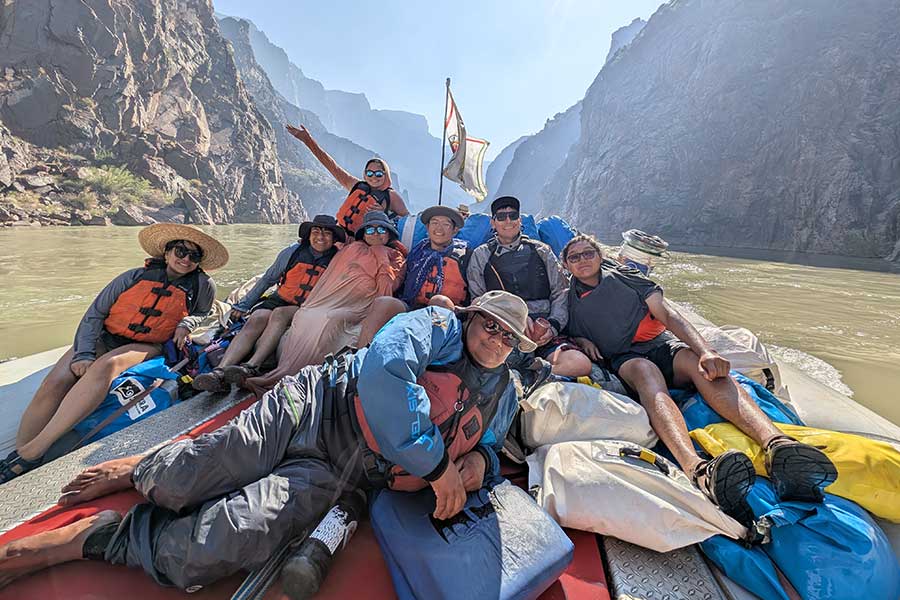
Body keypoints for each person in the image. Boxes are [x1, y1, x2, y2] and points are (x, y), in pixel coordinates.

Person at [0, 291, 533, 593]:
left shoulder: (503, 393)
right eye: (488, 325)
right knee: (184, 478)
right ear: (471, 319)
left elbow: (486, 450)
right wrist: (439, 466)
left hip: (344, 471)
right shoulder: (437, 324)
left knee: (220, 545)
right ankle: (143, 466)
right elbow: (386, 371)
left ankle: (99, 537)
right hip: (313, 403)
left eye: (509, 336)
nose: (495, 339)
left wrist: (476, 470)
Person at [561, 234, 837, 524]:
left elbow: (667, 313)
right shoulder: (569, 299)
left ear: (600, 255)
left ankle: (777, 444)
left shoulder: (626, 275)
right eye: (574, 257)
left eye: (587, 253)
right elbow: (568, 330)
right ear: (566, 265)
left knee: (698, 364)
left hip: (659, 344)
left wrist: (705, 350)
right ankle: (697, 470)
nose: (582, 260)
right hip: (627, 359)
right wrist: (580, 338)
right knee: (646, 374)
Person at [0, 224, 226, 484]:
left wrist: (188, 324)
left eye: (193, 256)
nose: (185, 258)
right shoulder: (132, 277)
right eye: (180, 250)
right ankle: (20, 453)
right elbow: (95, 314)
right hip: (106, 336)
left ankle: (32, 453)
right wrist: (83, 353)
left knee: (108, 366)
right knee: (57, 381)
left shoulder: (203, 285)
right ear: (166, 252)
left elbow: (203, 312)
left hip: (149, 344)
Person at [242, 211, 407, 393]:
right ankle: (282, 371)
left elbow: (387, 287)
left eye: (381, 229)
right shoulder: (350, 249)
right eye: (370, 229)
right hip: (330, 301)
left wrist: (380, 253)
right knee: (305, 314)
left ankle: (293, 377)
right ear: (363, 233)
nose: (375, 233)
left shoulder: (395, 256)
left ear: (389, 232)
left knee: (331, 318)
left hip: (361, 307)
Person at [191, 215, 345, 392]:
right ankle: (219, 372)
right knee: (256, 318)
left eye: (327, 233)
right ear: (309, 235)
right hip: (280, 297)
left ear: (334, 238)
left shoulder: (337, 259)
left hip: (307, 306)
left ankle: (251, 366)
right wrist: (244, 305)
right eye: (316, 232)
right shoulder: (293, 251)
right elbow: (268, 279)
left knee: (279, 314)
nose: (320, 237)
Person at [467, 195, 590, 378]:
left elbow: (560, 292)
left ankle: (527, 378)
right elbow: (478, 299)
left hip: (544, 326)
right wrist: (511, 317)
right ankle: (531, 374)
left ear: (519, 219)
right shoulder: (481, 255)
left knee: (580, 364)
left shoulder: (541, 251)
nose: (507, 221)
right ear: (493, 223)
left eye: (513, 215)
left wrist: (553, 326)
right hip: (505, 330)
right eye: (501, 217)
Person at [286, 123, 409, 234]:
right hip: (339, 234)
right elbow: (331, 166)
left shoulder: (391, 197)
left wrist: (384, 215)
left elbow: (407, 221)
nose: (374, 177)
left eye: (379, 174)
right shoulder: (356, 185)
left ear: (386, 175)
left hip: (363, 240)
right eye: (370, 173)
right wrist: (307, 140)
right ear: (365, 174)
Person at [399, 205, 471, 310]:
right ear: (427, 227)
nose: (439, 228)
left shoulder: (466, 256)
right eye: (434, 223)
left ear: (455, 230)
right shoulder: (418, 252)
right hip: (413, 309)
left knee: (439, 301)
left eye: (446, 224)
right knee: (386, 303)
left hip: (448, 315)